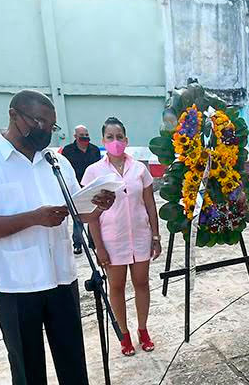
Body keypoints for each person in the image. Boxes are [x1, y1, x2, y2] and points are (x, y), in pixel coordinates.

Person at [0, 90, 116, 385]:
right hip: (15, 285)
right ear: (14, 114)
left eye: (50, 126)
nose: (45, 131)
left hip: (62, 279)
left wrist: (98, 207)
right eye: (38, 122)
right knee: (28, 372)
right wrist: (33, 218)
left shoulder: (57, 163)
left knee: (74, 365)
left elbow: (78, 213)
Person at [83, 117, 161, 356]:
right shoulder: (94, 172)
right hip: (112, 239)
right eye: (110, 137)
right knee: (116, 287)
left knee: (141, 284)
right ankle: (124, 334)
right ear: (103, 141)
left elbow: (149, 204)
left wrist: (155, 237)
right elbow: (90, 214)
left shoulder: (139, 169)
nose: (115, 141)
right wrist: (99, 247)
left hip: (139, 235)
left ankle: (143, 329)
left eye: (119, 137)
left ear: (126, 140)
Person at [61, 125, 101, 254]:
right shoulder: (68, 151)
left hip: (92, 186)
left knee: (93, 215)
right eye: (81, 135)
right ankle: (78, 243)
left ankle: (92, 241)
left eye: (86, 135)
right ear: (75, 136)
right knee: (78, 217)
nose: (84, 138)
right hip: (76, 188)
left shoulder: (94, 150)